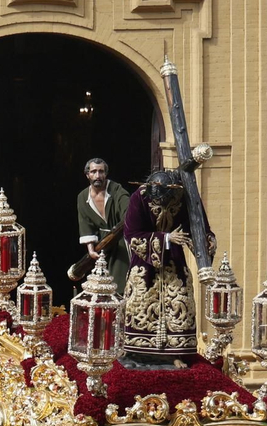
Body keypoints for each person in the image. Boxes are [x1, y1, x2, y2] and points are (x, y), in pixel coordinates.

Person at [119, 166, 210, 363]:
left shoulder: (184, 195)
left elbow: (197, 224)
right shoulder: (139, 197)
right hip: (144, 264)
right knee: (140, 301)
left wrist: (205, 244)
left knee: (180, 300)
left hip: (174, 262)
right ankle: (137, 350)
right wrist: (167, 238)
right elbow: (131, 234)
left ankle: (176, 352)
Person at [75, 156, 131, 291]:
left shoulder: (117, 190)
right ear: (87, 174)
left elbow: (128, 212)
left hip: (121, 241)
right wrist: (91, 249)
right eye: (93, 172)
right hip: (101, 245)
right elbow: (85, 223)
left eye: (101, 171)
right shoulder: (83, 197)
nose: (97, 176)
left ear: (106, 174)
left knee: (119, 280)